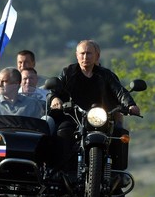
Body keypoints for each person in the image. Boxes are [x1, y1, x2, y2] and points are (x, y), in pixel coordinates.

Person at [48, 39, 141, 172]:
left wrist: (131, 105)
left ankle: (116, 174)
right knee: (63, 131)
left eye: (89, 53)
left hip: (101, 118)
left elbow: (119, 91)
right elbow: (54, 90)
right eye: (82, 53)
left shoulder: (105, 75)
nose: (85, 57)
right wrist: (55, 98)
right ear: (77, 55)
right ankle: (60, 171)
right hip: (74, 117)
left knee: (118, 135)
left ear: (97, 56)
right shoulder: (68, 72)